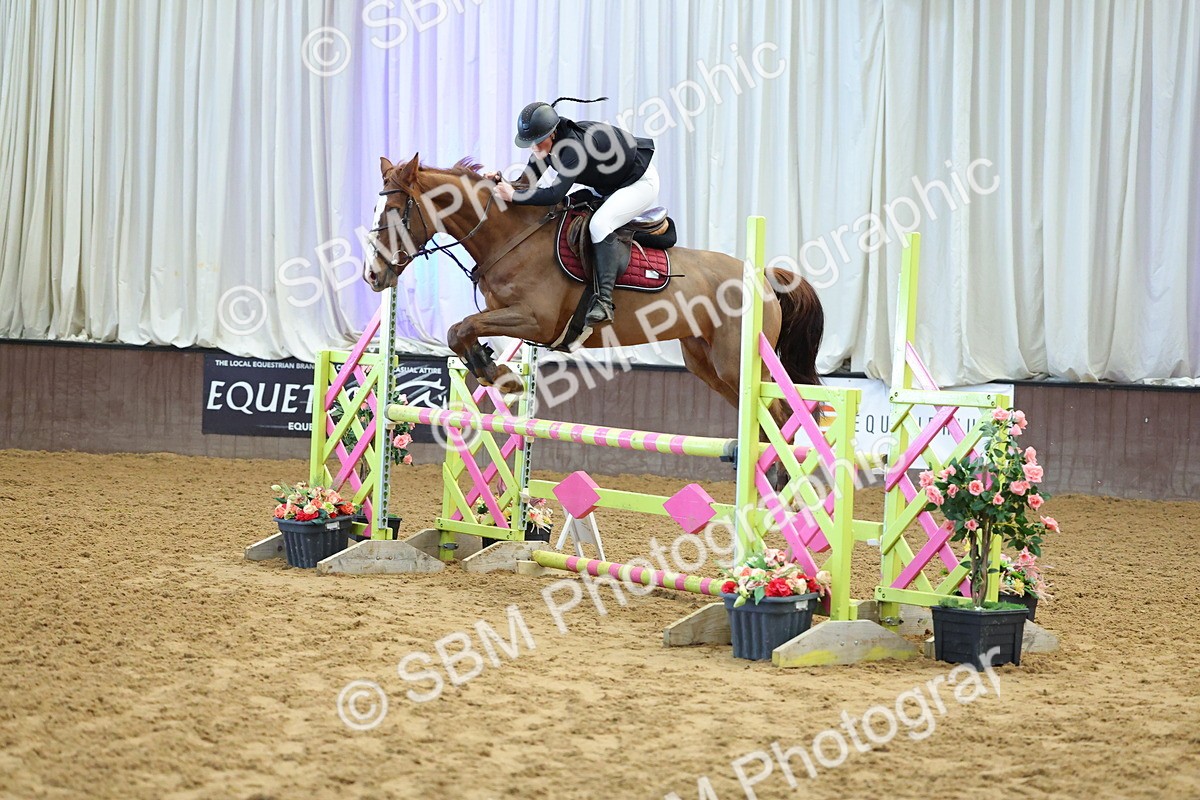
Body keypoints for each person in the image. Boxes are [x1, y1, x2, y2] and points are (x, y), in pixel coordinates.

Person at [490, 97, 658, 325]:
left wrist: (513, 195)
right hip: (609, 183)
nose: (534, 148)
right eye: (530, 143)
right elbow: (525, 184)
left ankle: (604, 302)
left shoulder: (573, 149)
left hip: (639, 182)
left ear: (552, 134)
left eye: (538, 141)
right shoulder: (547, 144)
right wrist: (500, 182)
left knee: (600, 224)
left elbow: (553, 194)